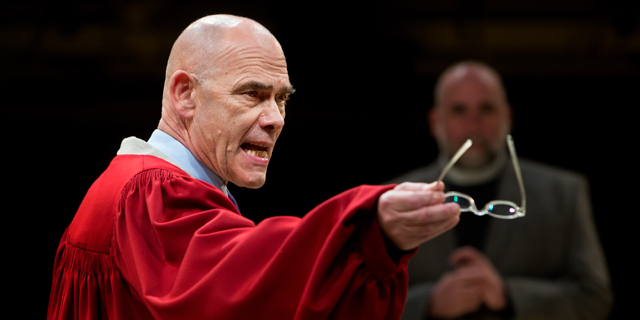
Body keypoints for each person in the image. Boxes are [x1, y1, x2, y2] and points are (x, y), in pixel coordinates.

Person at [46, 14, 461, 320]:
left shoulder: (133, 186)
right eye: (253, 94)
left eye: (281, 99)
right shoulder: (150, 195)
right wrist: (366, 231)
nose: (276, 118)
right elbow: (243, 284)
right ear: (185, 95)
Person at [387, 61, 613, 320]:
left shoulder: (564, 194)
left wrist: (509, 295)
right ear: (435, 121)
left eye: (486, 109)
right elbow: (360, 302)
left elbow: (595, 297)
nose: (473, 124)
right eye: (459, 110)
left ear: (507, 116)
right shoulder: (393, 200)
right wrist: (428, 303)